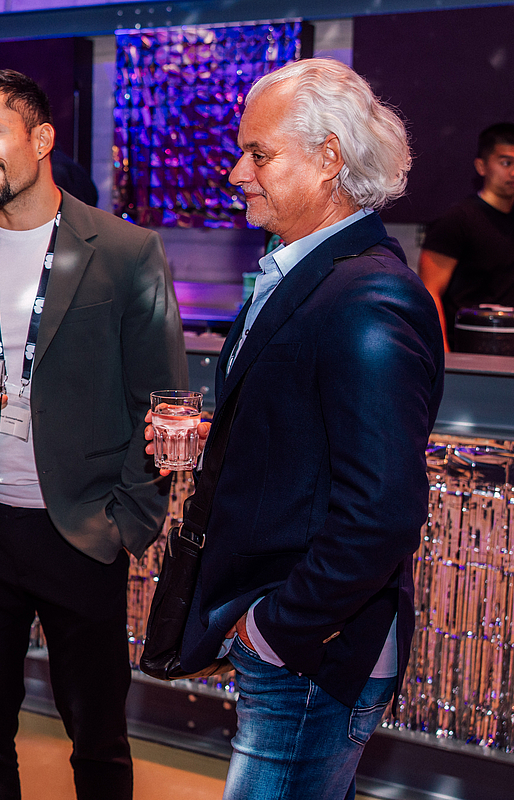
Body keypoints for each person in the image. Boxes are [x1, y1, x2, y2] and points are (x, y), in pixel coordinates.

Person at [154, 58, 444, 800]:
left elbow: (382, 512)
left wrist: (275, 632)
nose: (236, 174)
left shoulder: (368, 296)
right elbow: (312, 436)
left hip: (312, 653)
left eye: (258, 154)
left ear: (328, 159)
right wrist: (222, 435)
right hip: (300, 644)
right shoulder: (316, 275)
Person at [0, 69, 187, 800]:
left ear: (43, 138)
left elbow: (161, 401)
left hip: (81, 532)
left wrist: (126, 523)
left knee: (97, 737)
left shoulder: (125, 251)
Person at [418, 122, 514, 351]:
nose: (513, 172)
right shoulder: (458, 220)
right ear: (481, 166)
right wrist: (444, 356)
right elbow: (429, 291)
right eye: (506, 163)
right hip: (467, 351)